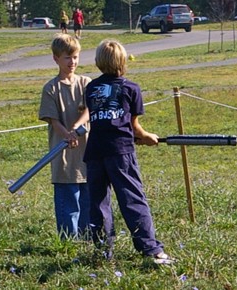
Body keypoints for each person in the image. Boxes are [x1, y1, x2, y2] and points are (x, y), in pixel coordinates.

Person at [77, 39, 174, 264]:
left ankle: (103, 252)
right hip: (120, 151)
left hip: (95, 151)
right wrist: (147, 137)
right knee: (132, 198)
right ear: (123, 61)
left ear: (99, 62)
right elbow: (134, 126)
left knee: (98, 203)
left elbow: (102, 118)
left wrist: (135, 135)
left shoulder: (91, 87)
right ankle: (150, 249)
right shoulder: (131, 88)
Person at [39, 33, 91, 240]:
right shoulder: (51, 88)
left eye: (75, 57)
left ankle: (90, 239)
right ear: (56, 59)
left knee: (88, 200)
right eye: (67, 58)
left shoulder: (86, 83)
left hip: (87, 151)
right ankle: (69, 242)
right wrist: (67, 135)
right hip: (63, 155)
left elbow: (90, 109)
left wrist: (77, 126)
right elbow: (53, 120)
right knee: (69, 202)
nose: (72, 62)